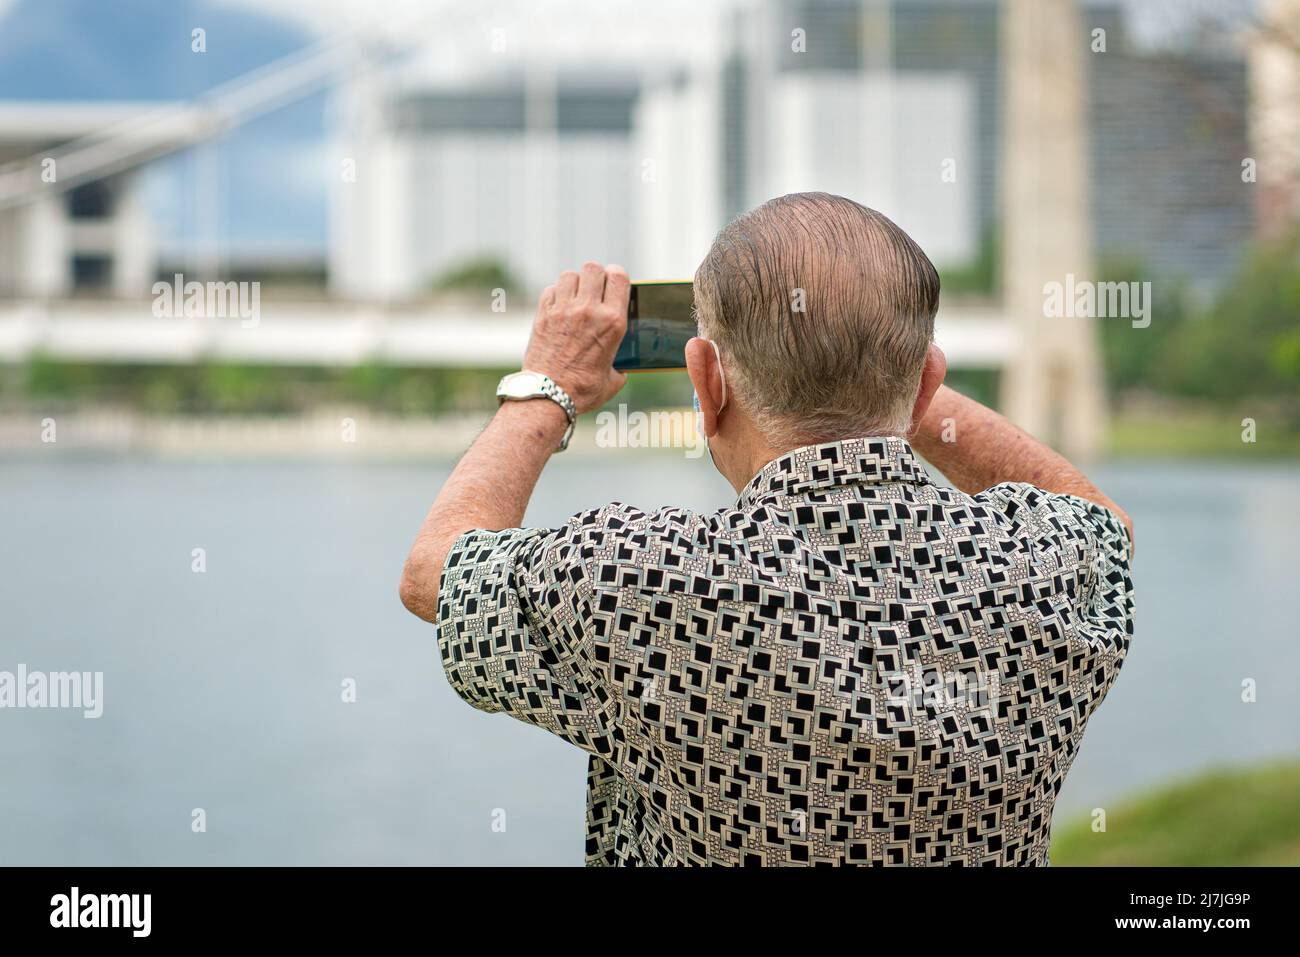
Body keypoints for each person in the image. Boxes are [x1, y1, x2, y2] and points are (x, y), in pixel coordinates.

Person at [399, 192, 1134, 866]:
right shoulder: (1046, 567)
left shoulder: (640, 578)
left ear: (707, 381)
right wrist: (897, 380)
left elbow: (436, 572)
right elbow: (1105, 524)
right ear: (929, 381)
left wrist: (548, 383)